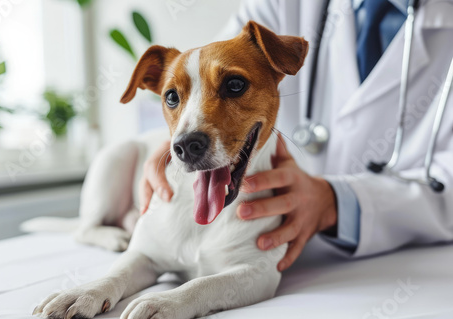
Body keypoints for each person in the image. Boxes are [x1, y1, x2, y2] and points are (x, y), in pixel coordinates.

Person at [138, 0, 453, 272]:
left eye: (236, 87)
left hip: (407, 265)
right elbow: (203, 75)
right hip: (269, 244)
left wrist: (335, 202)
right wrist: (183, 140)